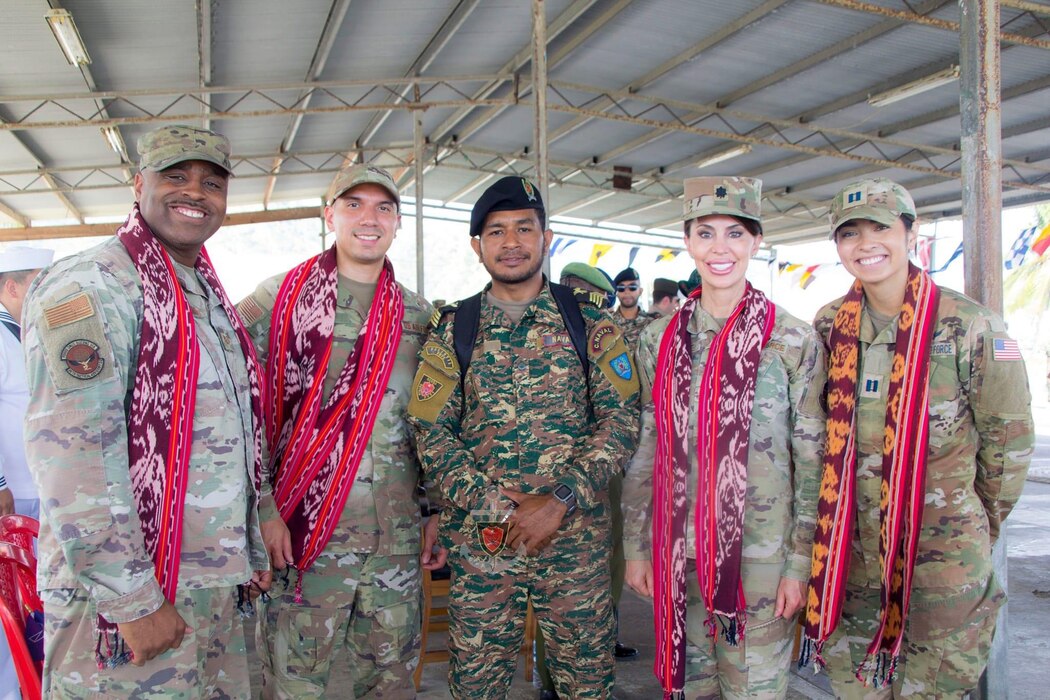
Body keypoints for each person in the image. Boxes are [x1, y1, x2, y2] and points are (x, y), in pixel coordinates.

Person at [21, 125, 271, 698]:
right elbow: (75, 455)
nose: (196, 193)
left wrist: (251, 540)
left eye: (212, 182)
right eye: (175, 176)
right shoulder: (90, 284)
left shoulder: (201, 292)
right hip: (129, 598)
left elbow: (230, 433)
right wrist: (132, 598)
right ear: (138, 185)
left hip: (207, 588)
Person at [407, 175, 640, 699]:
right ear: (477, 245)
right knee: (477, 686)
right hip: (485, 544)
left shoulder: (588, 321)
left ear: (546, 237)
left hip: (574, 543)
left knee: (586, 686)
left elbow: (622, 421)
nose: (510, 242)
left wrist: (557, 501)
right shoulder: (455, 327)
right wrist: (494, 505)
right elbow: (431, 430)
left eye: (523, 228)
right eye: (495, 232)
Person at [802, 178, 1035, 698]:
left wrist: (976, 522)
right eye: (850, 234)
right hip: (851, 561)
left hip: (941, 560)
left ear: (912, 231)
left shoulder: (973, 327)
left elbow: (1009, 444)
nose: (866, 245)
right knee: (855, 688)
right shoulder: (827, 327)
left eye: (880, 228)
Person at [238, 163, 446, 699]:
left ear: (398, 222)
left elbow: (437, 422)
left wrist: (440, 510)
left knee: (391, 684)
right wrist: (261, 513)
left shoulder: (420, 317)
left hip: (393, 540)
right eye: (353, 204)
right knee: (293, 685)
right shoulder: (279, 298)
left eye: (383, 207)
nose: (368, 218)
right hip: (303, 534)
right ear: (329, 215)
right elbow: (240, 408)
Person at [623, 176, 826, 699]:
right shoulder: (657, 339)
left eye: (735, 233)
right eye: (706, 233)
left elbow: (811, 459)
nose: (721, 248)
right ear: (687, 240)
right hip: (678, 555)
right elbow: (646, 447)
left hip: (761, 562)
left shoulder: (793, 338)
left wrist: (800, 565)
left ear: (756, 242)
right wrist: (636, 547)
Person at [0, 245, 53, 700]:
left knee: (33, 594)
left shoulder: (27, 332)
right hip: (11, 495)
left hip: (39, 490)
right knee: (7, 600)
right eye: (39, 282)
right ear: (11, 288)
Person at [611, 267, 660, 351]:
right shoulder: (609, 322)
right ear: (616, 293)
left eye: (632, 287)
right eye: (621, 288)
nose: (627, 292)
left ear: (640, 291)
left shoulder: (653, 322)